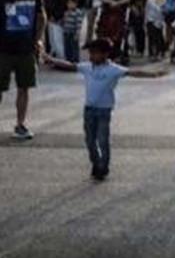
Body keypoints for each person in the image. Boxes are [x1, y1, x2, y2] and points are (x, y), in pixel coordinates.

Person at [43, 37, 167, 179]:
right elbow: (70, 65)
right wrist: (52, 59)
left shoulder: (113, 69)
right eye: (90, 53)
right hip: (89, 109)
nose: (91, 56)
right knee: (90, 141)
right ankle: (96, 163)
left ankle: (103, 167)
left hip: (104, 110)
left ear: (105, 54)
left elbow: (133, 72)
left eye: (94, 53)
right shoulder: (87, 67)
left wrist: (154, 75)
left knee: (102, 140)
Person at [1, 0, 47, 141]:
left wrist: (38, 39)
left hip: (25, 51)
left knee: (24, 88)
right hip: (3, 50)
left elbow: (42, 18)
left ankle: (20, 125)